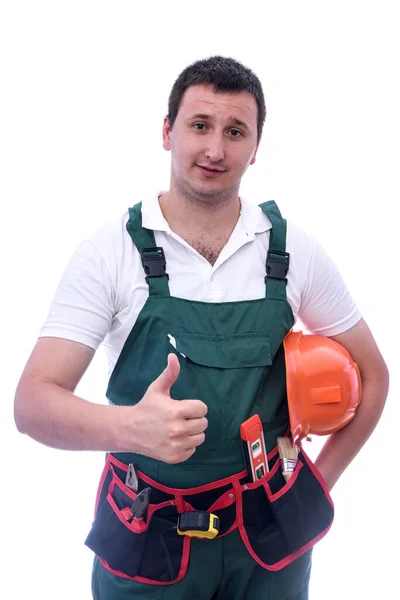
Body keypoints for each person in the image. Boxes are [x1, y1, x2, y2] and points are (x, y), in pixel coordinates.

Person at [14, 56, 389, 600]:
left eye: (236, 132)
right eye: (199, 126)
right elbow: (32, 404)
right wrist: (131, 429)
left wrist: (316, 486)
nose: (215, 149)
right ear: (167, 132)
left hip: (270, 546)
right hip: (148, 541)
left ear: (256, 147)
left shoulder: (293, 252)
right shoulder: (110, 253)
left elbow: (374, 376)